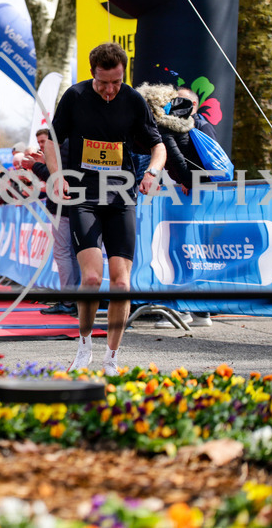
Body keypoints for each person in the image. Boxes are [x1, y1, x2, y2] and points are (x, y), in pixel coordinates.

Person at [53, 42, 165, 376]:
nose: (110, 90)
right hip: (84, 195)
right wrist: (57, 174)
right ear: (92, 75)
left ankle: (112, 357)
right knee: (90, 277)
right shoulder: (75, 96)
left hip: (120, 198)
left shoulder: (132, 99)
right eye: (103, 83)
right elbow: (50, 140)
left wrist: (153, 173)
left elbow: (158, 145)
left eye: (116, 82)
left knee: (121, 282)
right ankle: (84, 344)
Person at [138, 84, 213, 328]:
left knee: (180, 250)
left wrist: (187, 181)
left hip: (186, 197)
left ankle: (182, 310)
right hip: (184, 195)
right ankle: (200, 311)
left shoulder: (168, 127)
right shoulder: (179, 125)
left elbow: (178, 161)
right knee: (187, 250)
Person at [26, 129, 80, 315]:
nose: (41, 145)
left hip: (63, 207)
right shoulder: (77, 140)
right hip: (77, 206)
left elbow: (57, 176)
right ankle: (76, 300)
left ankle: (68, 301)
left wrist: (35, 166)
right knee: (73, 254)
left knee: (64, 253)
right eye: (39, 142)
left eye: (44, 141)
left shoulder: (63, 145)